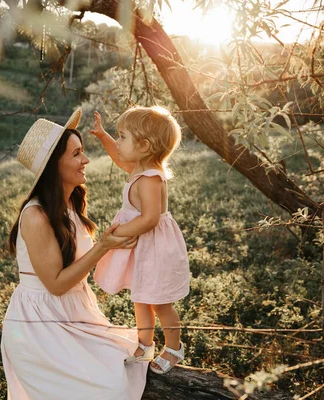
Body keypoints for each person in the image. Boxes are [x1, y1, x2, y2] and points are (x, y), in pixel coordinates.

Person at [0, 108, 148, 400]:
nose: (86, 160)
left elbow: (80, 263)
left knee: (127, 361)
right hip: (39, 324)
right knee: (110, 389)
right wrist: (104, 246)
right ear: (55, 165)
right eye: (77, 154)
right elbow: (55, 285)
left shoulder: (70, 208)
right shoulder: (36, 215)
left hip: (75, 313)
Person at [90, 106, 190, 375]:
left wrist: (117, 233)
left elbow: (150, 219)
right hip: (142, 248)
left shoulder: (150, 178)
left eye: (122, 137)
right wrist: (102, 136)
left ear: (144, 145)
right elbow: (118, 157)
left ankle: (173, 347)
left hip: (154, 248)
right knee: (140, 297)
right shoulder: (138, 167)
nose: (118, 142)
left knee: (159, 302)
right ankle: (145, 343)